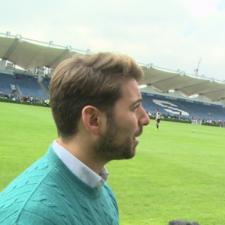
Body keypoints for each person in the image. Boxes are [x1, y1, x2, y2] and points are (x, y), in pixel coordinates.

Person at [0, 52, 150, 224]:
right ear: (93, 120)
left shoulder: (102, 190)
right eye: (134, 107)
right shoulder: (30, 217)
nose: (145, 119)